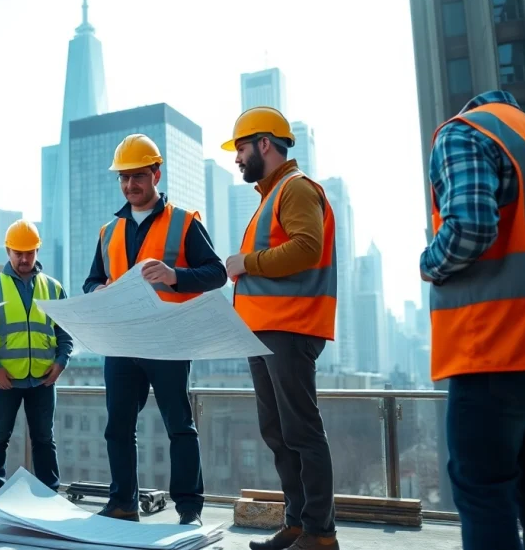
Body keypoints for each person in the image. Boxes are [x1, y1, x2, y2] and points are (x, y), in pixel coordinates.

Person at [82, 134, 226, 525]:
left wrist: (174, 275)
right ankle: (123, 503)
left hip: (168, 341)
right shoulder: (108, 231)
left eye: (139, 176)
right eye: (124, 178)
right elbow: (92, 281)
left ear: (156, 174)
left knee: (179, 426)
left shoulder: (184, 222)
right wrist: (100, 290)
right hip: (122, 343)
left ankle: (189, 509)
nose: (131, 185)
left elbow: (217, 274)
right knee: (118, 428)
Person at [419, 90, 525, 550]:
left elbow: (470, 226)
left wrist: (429, 262)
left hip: (495, 347)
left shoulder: (466, 131)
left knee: (485, 492)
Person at [223, 106, 339, 550]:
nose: (237, 158)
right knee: (278, 432)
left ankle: (320, 533)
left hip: (288, 330)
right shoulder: (270, 197)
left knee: (301, 431)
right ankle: (297, 524)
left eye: (240, 148)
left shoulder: (295, 189)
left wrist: (245, 263)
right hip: (264, 333)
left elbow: (306, 248)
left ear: (264, 145)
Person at [0, 219, 73, 500]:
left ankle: (49, 495)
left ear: (37, 251)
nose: (24, 258)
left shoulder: (53, 288)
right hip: (5, 379)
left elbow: (64, 332)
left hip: (43, 379)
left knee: (44, 439)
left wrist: (61, 362)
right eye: (19, 252)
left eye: (30, 252)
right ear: (8, 251)